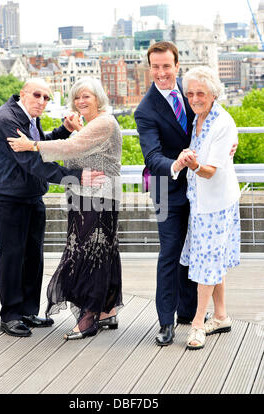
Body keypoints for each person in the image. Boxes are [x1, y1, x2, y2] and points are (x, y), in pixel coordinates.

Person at [0, 78, 104, 338]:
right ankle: (11, 316)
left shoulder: (28, 117)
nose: (42, 101)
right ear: (22, 94)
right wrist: (76, 176)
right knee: (12, 257)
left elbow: (39, 144)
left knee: (32, 257)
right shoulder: (7, 119)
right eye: (37, 95)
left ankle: (27, 311)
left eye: (47, 97)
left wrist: (62, 130)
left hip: (31, 195)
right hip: (10, 197)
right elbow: (33, 161)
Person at [8, 77, 123, 340]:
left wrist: (33, 145)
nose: (81, 101)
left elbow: (71, 148)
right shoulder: (94, 123)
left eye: (87, 97)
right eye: (77, 97)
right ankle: (106, 310)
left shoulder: (104, 122)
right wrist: (74, 130)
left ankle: (88, 319)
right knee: (101, 250)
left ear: (98, 98)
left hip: (98, 197)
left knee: (88, 252)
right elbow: (78, 150)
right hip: (86, 195)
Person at [134, 42, 198, 347]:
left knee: (193, 248)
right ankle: (166, 322)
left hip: (197, 184)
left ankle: (188, 311)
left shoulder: (191, 90)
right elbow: (152, 157)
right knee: (170, 254)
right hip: (163, 186)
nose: (161, 73)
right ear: (150, 68)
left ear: (177, 66)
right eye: (155, 67)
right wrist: (176, 164)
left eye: (166, 66)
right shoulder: (145, 110)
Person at [177, 66, 241, 350]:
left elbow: (210, 171)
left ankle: (197, 326)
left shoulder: (222, 123)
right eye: (190, 93)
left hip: (215, 206)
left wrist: (192, 164)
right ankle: (221, 316)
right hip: (202, 203)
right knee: (213, 260)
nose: (194, 98)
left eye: (200, 93)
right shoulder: (199, 119)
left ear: (213, 93)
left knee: (206, 265)